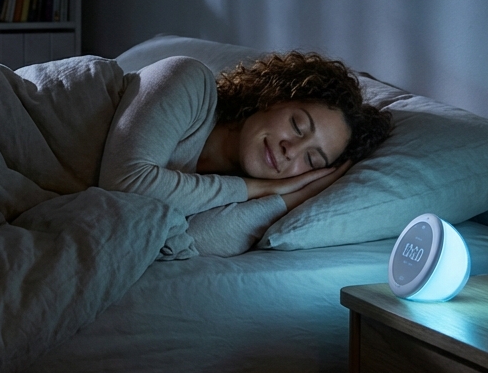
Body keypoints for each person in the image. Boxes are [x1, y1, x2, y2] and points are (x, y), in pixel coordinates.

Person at [98, 52, 394, 256]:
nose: (290, 151)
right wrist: (259, 187)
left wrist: (291, 199)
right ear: (273, 97)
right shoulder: (188, 81)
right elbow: (122, 189)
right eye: (297, 125)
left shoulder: (223, 195)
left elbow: (185, 241)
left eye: (311, 161)